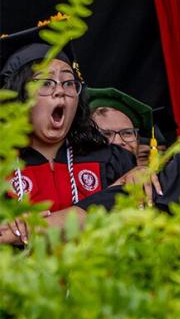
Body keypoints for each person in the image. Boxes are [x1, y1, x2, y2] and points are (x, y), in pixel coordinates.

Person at [1, 36, 137, 246]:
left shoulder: (111, 160)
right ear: (20, 96)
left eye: (68, 82)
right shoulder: (4, 167)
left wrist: (142, 178)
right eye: (45, 82)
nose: (60, 90)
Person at [88, 87, 155, 166]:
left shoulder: (154, 178)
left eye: (127, 133)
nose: (118, 141)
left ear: (137, 140)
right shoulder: (72, 176)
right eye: (106, 134)